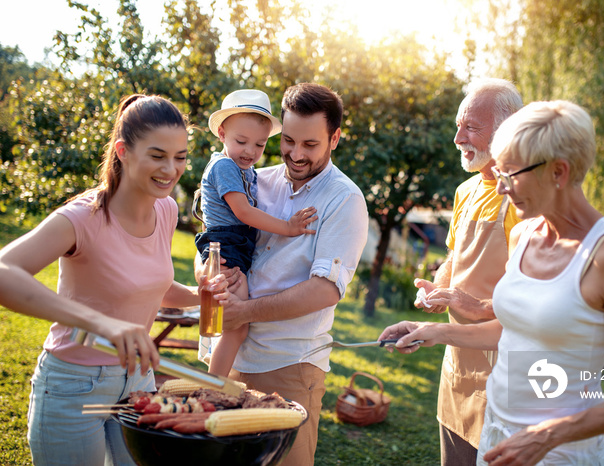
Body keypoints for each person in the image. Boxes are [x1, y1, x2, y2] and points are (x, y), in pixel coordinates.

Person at [381, 100, 604, 465]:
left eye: (509, 175)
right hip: (496, 436)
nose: (500, 188)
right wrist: (433, 330)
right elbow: (511, 331)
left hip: (557, 452)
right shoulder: (524, 235)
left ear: (559, 172)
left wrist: (549, 435)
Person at [0, 94, 229, 465]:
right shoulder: (82, 218)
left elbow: (149, 287)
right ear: (123, 150)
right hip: (74, 383)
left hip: (137, 381)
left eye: (180, 157)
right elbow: (4, 272)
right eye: (157, 156)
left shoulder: (166, 209)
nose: (171, 169)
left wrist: (197, 293)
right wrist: (102, 324)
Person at [198, 82, 368, 465]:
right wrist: (209, 271)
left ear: (334, 138)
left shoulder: (344, 199)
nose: (295, 153)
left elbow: (325, 291)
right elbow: (215, 233)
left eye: (310, 144)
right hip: (232, 355)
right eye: (288, 141)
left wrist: (243, 313)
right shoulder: (256, 177)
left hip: (288, 365)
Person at [412, 78, 523, 466]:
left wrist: (475, 304)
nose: (458, 137)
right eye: (458, 125)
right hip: (456, 366)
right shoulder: (465, 192)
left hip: (504, 370)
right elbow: (455, 259)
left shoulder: (524, 198)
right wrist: (437, 287)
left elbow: (533, 296)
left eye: (471, 126)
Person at [195, 89, 318, 376]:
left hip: (236, 245)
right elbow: (243, 212)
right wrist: (287, 227)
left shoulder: (246, 170)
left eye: (260, 145)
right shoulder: (225, 166)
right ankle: (212, 386)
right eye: (241, 141)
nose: (250, 151)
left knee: (232, 324)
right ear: (222, 134)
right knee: (234, 327)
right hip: (228, 245)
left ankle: (213, 383)